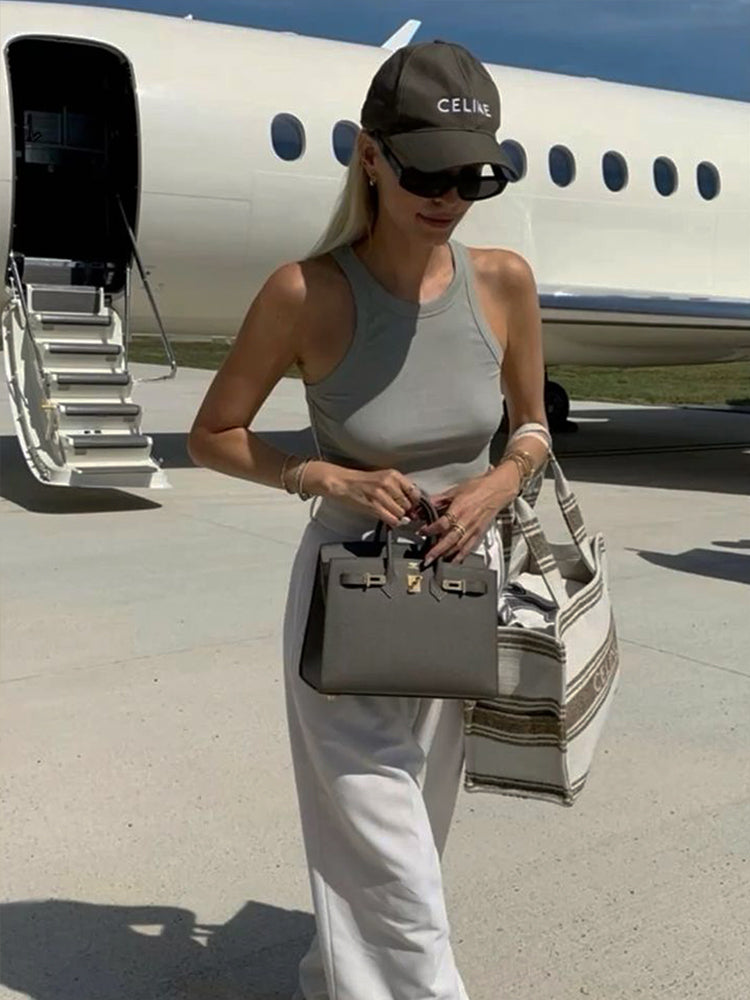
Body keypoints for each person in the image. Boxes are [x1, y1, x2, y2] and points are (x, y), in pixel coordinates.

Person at [188, 39, 551, 1000]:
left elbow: (533, 428)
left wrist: (500, 481)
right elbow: (212, 435)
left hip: (462, 588)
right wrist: (321, 476)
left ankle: (334, 980)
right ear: (371, 156)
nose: (449, 197)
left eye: (474, 177)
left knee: (410, 833)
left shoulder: (503, 281)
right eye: (426, 171)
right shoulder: (304, 292)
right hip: (347, 593)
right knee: (383, 843)